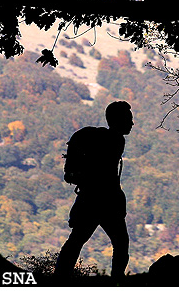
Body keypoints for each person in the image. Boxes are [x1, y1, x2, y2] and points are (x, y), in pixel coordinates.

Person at [54, 101, 134, 280]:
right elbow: (107, 175)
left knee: (76, 241)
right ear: (118, 120)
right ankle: (117, 280)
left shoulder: (102, 139)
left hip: (88, 200)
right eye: (128, 118)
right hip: (107, 202)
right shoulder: (117, 141)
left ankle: (59, 277)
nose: (131, 123)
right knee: (120, 243)